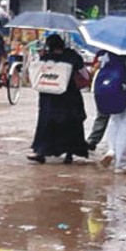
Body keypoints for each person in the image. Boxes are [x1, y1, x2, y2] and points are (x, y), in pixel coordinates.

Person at [27, 34, 90, 164]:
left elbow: (34, 73)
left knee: (46, 124)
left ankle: (41, 152)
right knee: (70, 124)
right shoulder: (73, 56)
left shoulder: (45, 57)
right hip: (70, 96)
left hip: (48, 97)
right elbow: (84, 74)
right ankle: (69, 154)